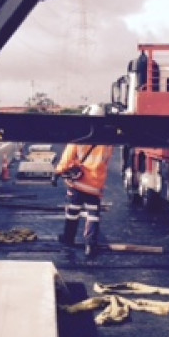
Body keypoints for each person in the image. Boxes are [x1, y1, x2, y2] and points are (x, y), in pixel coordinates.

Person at [53, 105, 113, 258]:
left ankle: (68, 239)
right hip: (95, 185)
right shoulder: (107, 142)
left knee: (73, 212)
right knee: (93, 215)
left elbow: (67, 159)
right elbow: (106, 162)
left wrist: (57, 172)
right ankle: (91, 245)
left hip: (78, 184)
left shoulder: (79, 138)